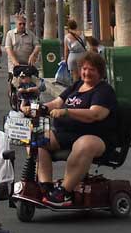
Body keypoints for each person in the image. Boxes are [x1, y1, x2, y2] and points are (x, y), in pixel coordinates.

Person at [27, 51, 118, 207]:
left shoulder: (104, 90)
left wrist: (67, 111)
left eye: (92, 70)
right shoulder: (77, 85)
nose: (86, 72)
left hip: (94, 136)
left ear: (100, 72)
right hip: (65, 134)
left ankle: (65, 192)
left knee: (84, 145)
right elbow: (56, 103)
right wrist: (35, 108)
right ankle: (46, 186)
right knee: (37, 137)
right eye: (84, 68)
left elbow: (95, 114)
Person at [63, 19, 87, 83]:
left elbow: (66, 50)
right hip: (82, 56)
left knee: (75, 76)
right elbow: (85, 44)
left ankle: (76, 90)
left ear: (69, 27)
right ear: (76, 26)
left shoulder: (67, 37)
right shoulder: (81, 34)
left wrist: (65, 60)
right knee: (83, 74)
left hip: (72, 56)